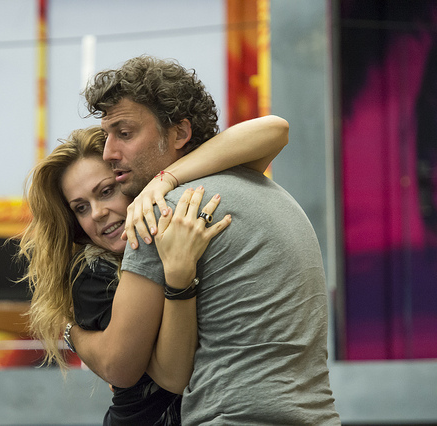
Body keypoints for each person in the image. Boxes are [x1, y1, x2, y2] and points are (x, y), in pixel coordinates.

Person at [69, 55, 341, 425]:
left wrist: (70, 331)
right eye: (106, 136)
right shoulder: (261, 187)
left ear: (180, 133)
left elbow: (125, 366)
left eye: (125, 133)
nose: (108, 152)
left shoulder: (162, 211)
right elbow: (274, 129)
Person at [19, 116, 289, 425]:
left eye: (106, 191)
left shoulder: (177, 209)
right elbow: (168, 375)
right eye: (81, 207)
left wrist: (165, 180)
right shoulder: (93, 273)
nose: (97, 213)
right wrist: (178, 278)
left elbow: (275, 130)